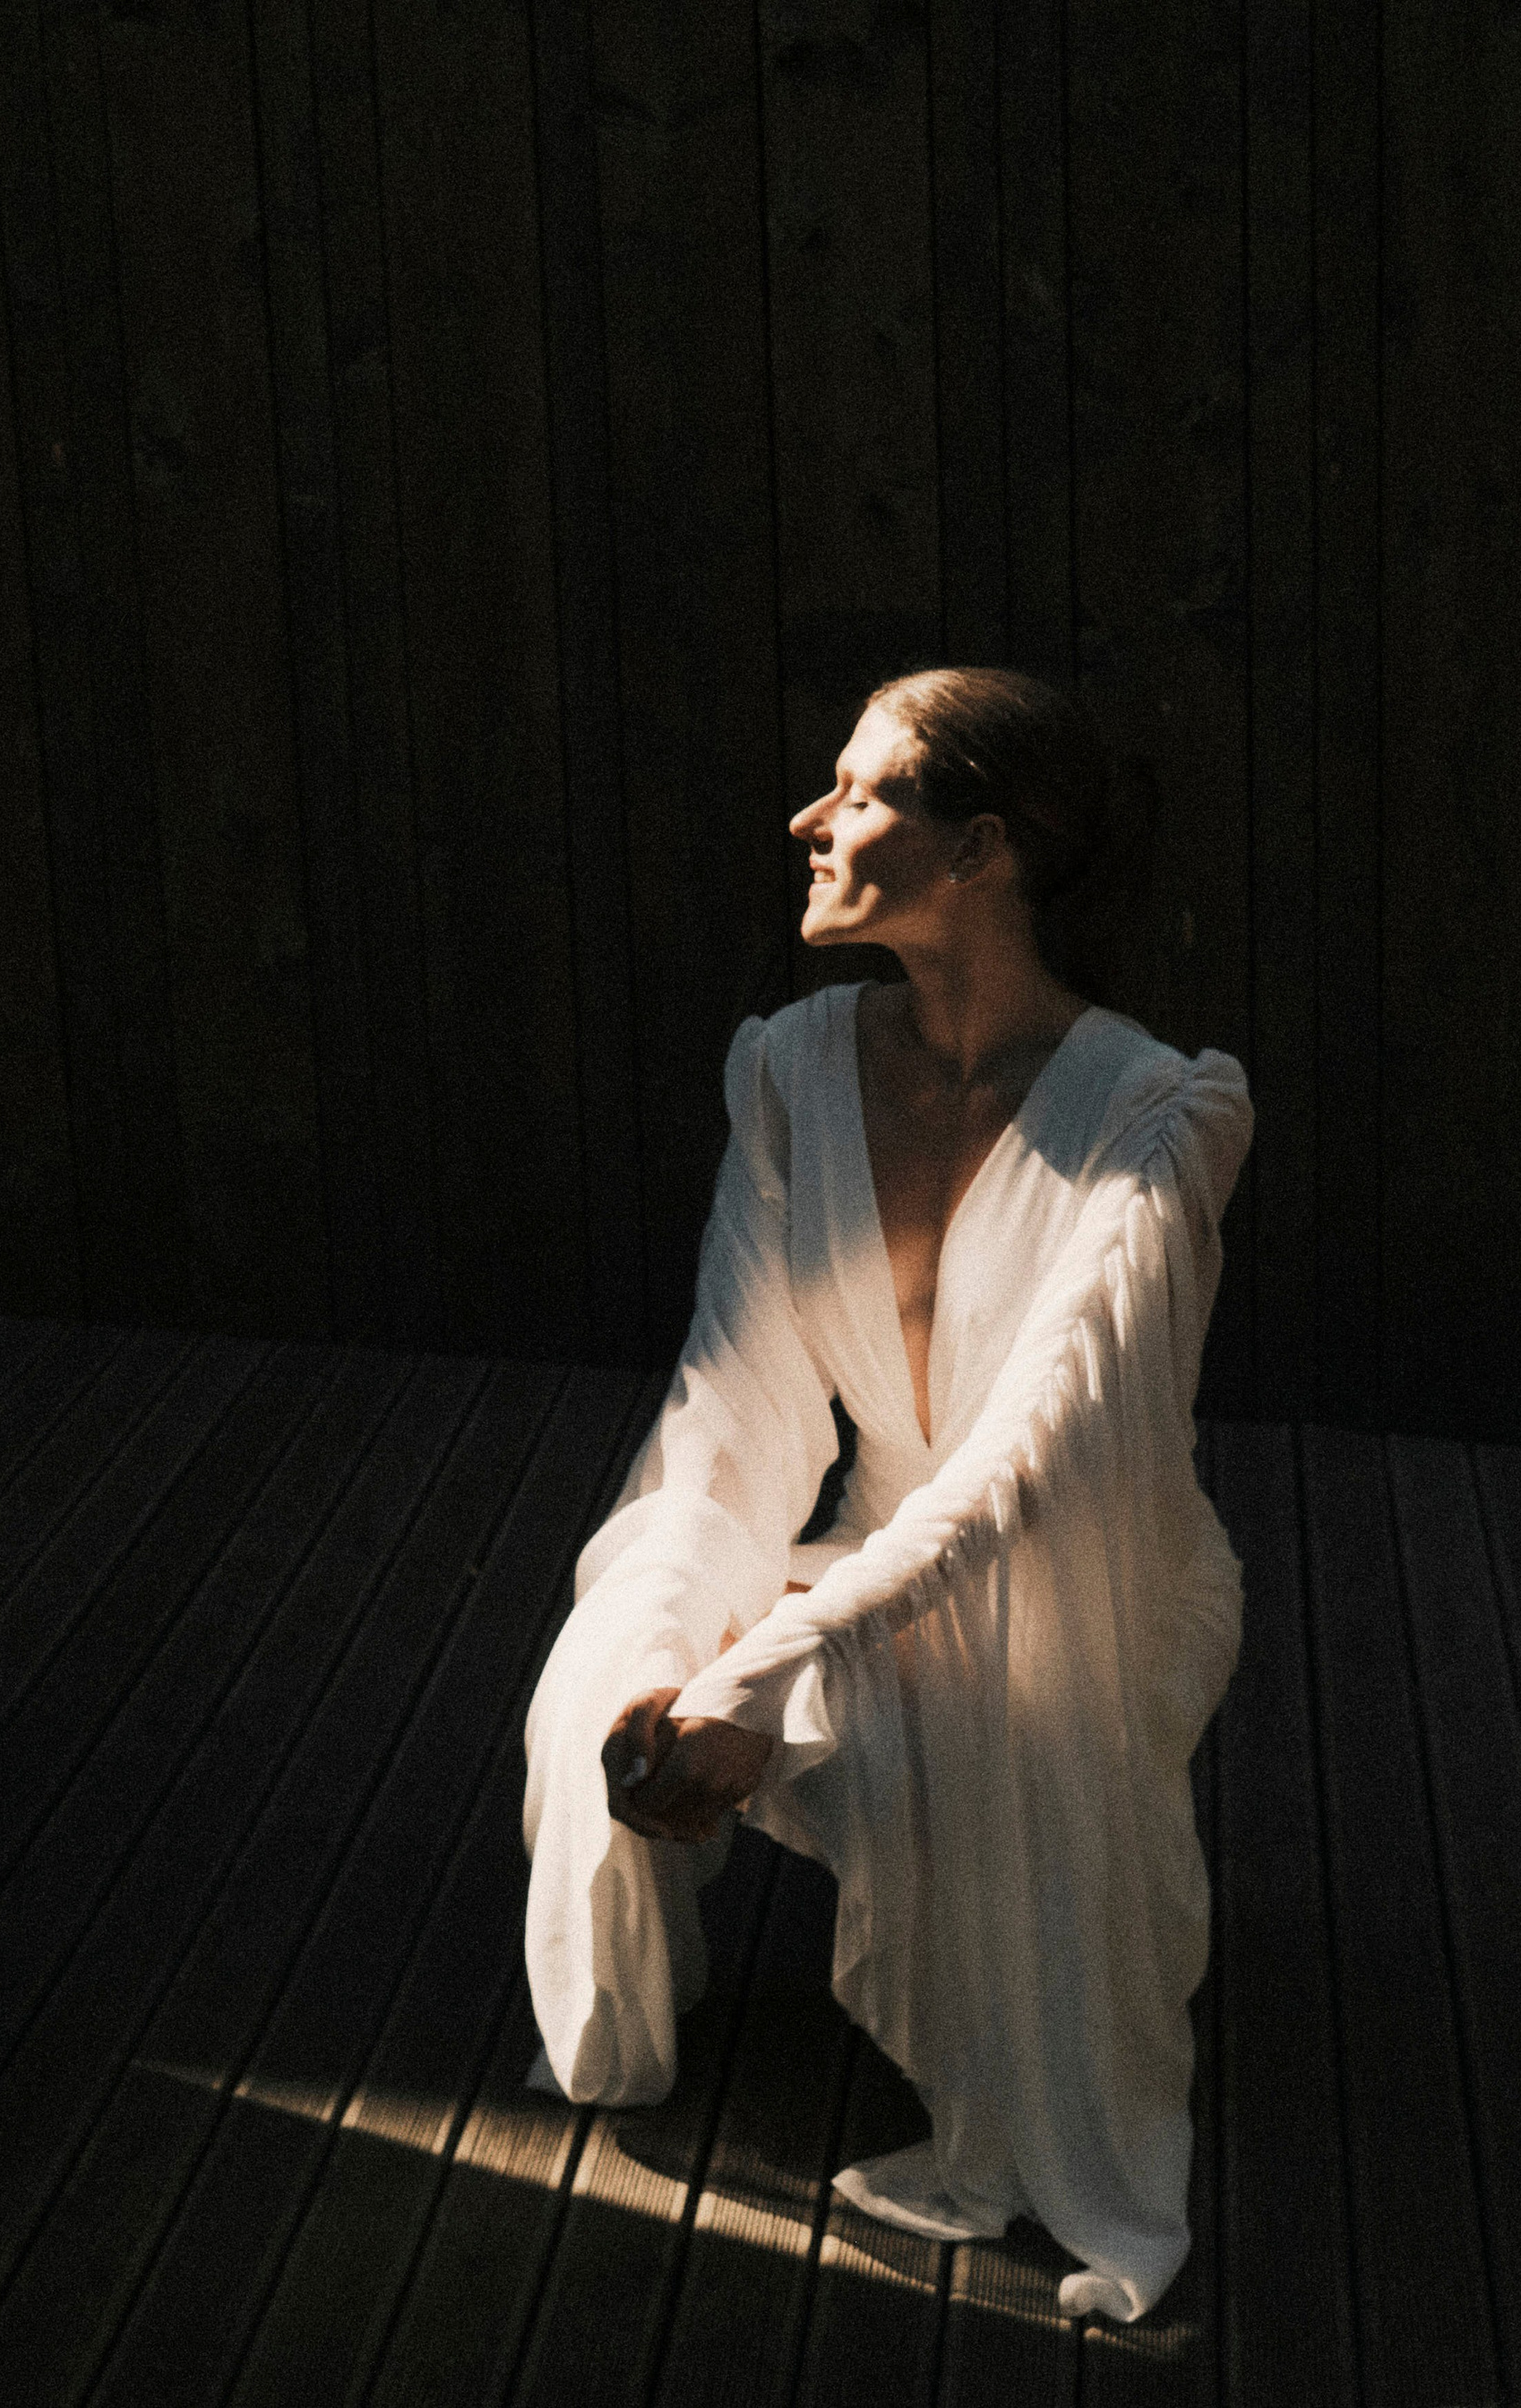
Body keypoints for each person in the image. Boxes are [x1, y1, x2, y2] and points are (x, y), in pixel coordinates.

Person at [520, 666, 1253, 2323]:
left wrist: (769, 1666)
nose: (810, 820)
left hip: (1086, 1577)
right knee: (619, 1644)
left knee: (970, 1709)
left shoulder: (1161, 1116)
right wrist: (676, 1646)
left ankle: (1024, 2056)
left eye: (859, 793)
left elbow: (1025, 1473)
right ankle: (629, 2029)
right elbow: (735, 1400)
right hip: (882, 1544)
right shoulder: (793, 1067)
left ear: (981, 849)